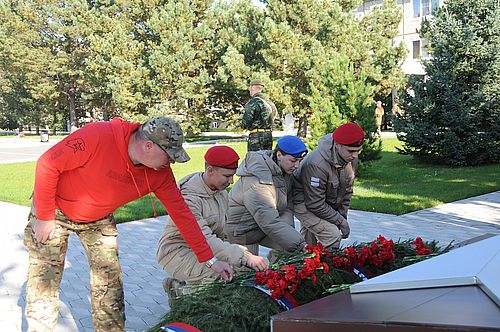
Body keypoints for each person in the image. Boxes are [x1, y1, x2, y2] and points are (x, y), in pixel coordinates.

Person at [23, 116, 233, 332]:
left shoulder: (160, 174)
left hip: (98, 218)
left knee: (109, 283)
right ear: (148, 145)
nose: (170, 162)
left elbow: (183, 215)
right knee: (44, 281)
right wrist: (45, 216)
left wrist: (210, 260)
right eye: (169, 156)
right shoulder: (97, 136)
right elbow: (48, 164)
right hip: (54, 210)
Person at [156, 145, 269, 300]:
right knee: (218, 275)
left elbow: (222, 235)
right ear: (210, 171)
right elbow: (204, 239)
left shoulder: (220, 194)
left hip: (205, 249)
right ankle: (178, 290)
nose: (231, 181)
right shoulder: (188, 199)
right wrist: (245, 256)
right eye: (227, 176)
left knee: (240, 270)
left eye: (233, 176)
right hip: (177, 252)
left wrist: (242, 258)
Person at [225, 135, 308, 258]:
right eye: (293, 160)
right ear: (279, 155)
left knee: (287, 251)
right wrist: (302, 245)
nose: (297, 166)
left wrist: (289, 231)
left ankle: (278, 272)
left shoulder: (284, 170)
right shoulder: (257, 180)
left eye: (300, 161)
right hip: (242, 232)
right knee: (247, 273)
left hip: (260, 227)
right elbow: (269, 221)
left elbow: (287, 203)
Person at [292, 122, 365, 252]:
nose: (355, 156)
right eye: (351, 151)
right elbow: (314, 203)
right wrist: (340, 222)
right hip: (302, 200)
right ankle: (326, 270)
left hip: (320, 200)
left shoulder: (350, 158)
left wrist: (342, 218)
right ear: (337, 145)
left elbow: (347, 192)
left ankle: (303, 266)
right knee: (331, 236)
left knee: (309, 243)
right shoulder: (316, 164)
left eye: (358, 151)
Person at [242, 79, 277, 151]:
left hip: (256, 136)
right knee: (266, 158)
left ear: (253, 88)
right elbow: (275, 117)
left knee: (255, 159)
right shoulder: (270, 103)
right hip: (269, 135)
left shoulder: (253, 102)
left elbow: (246, 121)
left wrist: (245, 126)